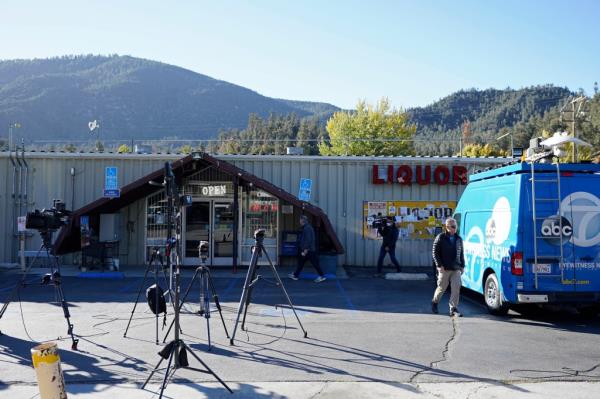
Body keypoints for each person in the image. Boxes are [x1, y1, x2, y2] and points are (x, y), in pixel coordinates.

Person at [431, 217, 465, 317]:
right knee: (442, 288)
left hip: (456, 268)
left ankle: (453, 308)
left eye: (456, 226)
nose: (455, 228)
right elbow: (435, 252)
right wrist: (439, 265)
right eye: (453, 226)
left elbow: (461, 253)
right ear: (447, 227)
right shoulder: (440, 237)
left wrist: (462, 265)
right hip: (444, 268)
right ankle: (434, 302)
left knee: (456, 288)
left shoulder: (459, 239)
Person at [289, 215, 327, 283]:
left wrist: (305, 250)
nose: (299, 221)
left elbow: (308, 240)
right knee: (301, 263)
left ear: (302, 220)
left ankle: (322, 276)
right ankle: (295, 275)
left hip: (309, 251)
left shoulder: (307, 228)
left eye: (300, 220)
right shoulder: (306, 227)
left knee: (315, 264)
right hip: (307, 250)